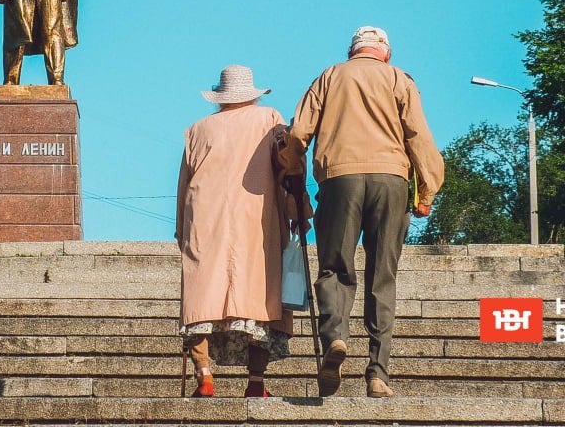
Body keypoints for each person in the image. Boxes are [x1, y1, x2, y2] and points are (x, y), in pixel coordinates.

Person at [278, 26, 444, 398]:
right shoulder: (399, 78)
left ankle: (336, 337)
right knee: (381, 275)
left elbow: (299, 132)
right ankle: (378, 373)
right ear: (385, 52)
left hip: (340, 179)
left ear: (352, 50)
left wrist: (291, 170)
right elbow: (418, 134)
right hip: (391, 180)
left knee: (335, 267)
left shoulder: (329, 76)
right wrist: (427, 188)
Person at [175, 65, 310, 398]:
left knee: (201, 298)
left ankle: (204, 377)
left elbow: (183, 186)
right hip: (256, 219)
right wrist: (299, 208)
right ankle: (256, 383)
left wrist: (182, 229)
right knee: (259, 298)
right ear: (252, 94)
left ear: (220, 97)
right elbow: (290, 163)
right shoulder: (269, 120)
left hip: (205, 220)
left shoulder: (196, 130)